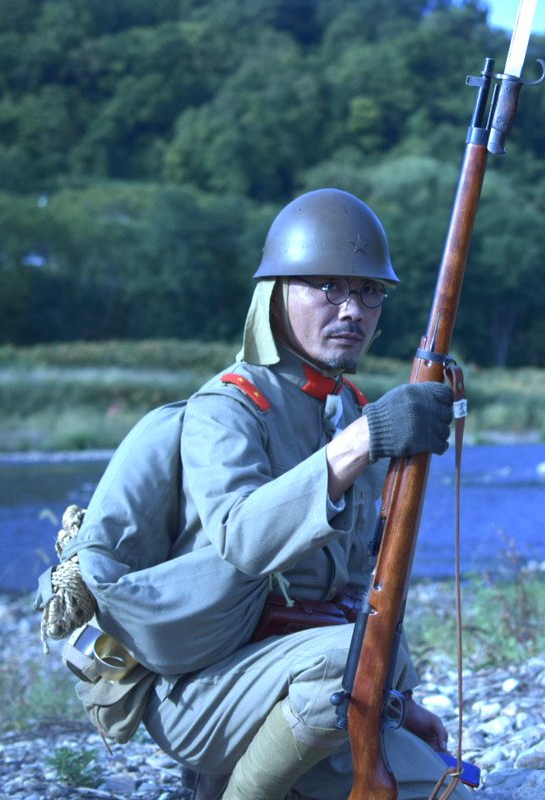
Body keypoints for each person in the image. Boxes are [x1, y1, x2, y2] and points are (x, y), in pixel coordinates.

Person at [135, 188, 470, 799]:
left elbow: (359, 583)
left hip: (315, 682)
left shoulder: (349, 409)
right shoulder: (227, 407)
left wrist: (396, 700)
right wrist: (360, 444)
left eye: (369, 292)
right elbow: (244, 539)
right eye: (329, 287)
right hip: (206, 689)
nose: (353, 311)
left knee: (447, 790)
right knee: (345, 659)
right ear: (277, 294)